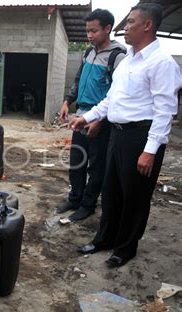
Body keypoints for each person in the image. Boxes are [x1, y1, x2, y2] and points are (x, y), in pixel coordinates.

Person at [69, 3, 181, 268]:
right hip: (117, 135)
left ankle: (125, 248)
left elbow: (165, 110)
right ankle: (105, 239)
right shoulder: (128, 59)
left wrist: (150, 150)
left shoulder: (161, 63)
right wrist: (87, 116)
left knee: (135, 196)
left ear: (147, 26)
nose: (125, 27)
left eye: (131, 22)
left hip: (140, 137)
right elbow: (111, 99)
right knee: (110, 192)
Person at [57, 9, 126, 221]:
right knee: (77, 161)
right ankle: (75, 198)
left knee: (96, 166)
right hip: (81, 116)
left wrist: (100, 119)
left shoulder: (118, 56)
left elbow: (118, 94)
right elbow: (78, 79)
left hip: (101, 120)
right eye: (87, 31)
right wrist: (68, 101)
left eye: (93, 31)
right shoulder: (88, 52)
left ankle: (88, 205)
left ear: (108, 29)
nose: (89, 35)